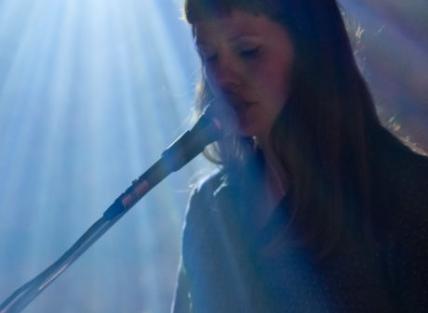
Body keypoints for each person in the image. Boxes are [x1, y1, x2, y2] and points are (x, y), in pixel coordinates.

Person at [172, 0, 428, 312]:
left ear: (311, 48)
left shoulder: (406, 194)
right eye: (209, 56)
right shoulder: (209, 210)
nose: (223, 78)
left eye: (248, 52)